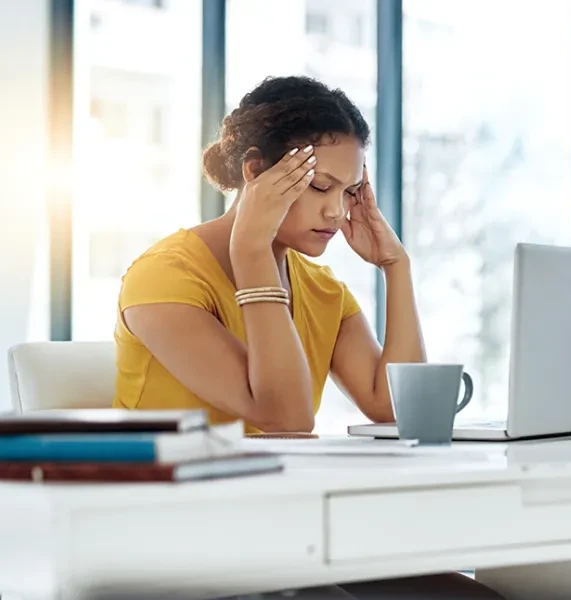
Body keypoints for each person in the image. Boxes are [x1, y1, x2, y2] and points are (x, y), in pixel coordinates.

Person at [113, 75, 503, 599]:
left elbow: (391, 405)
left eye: (349, 192)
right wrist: (251, 252)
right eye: (320, 188)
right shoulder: (163, 278)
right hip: (178, 544)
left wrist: (397, 266)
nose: (337, 212)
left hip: (285, 535)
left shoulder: (321, 288)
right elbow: (284, 418)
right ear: (256, 173)